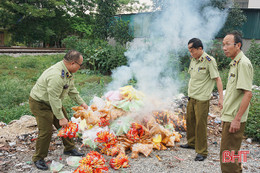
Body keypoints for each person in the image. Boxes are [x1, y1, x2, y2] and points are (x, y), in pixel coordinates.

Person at [29, 50, 89, 170]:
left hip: (53, 101)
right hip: (40, 103)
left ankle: (69, 148)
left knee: (66, 125)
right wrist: (60, 118)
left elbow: (71, 89)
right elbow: (54, 98)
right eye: (80, 65)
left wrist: (82, 103)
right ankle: (38, 158)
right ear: (73, 63)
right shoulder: (56, 75)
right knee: (46, 131)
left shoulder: (67, 72)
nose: (80, 67)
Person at [180, 38, 223, 161]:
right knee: (190, 121)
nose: (191, 53)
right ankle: (192, 143)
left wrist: (221, 98)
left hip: (202, 99)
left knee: (200, 125)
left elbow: (217, 79)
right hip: (192, 96)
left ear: (200, 49)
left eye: (192, 50)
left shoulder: (209, 61)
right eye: (189, 50)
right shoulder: (193, 60)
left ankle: (202, 152)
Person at [220, 31, 253, 172]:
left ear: (238, 45)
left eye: (227, 44)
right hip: (229, 115)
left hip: (234, 117)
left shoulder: (243, 63)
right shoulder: (235, 62)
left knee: (228, 158)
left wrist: (237, 119)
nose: (224, 48)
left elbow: (248, 94)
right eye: (223, 45)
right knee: (231, 154)